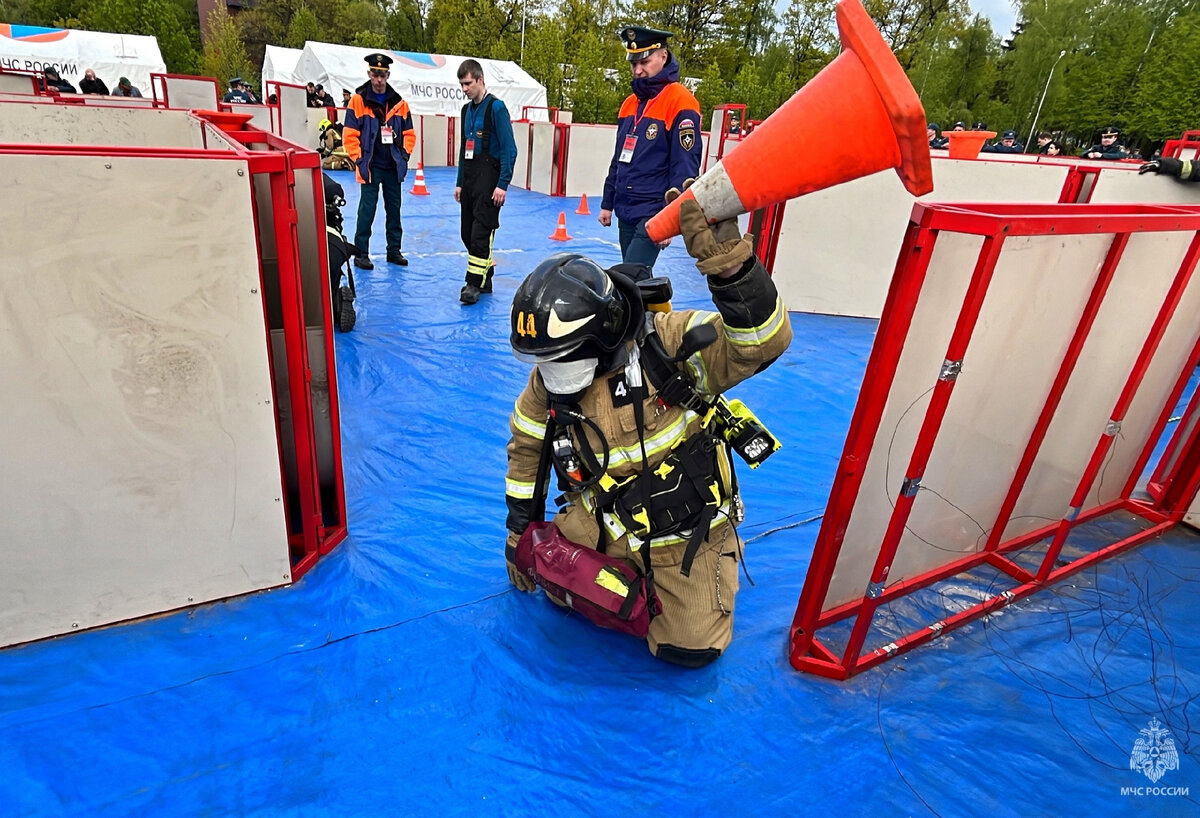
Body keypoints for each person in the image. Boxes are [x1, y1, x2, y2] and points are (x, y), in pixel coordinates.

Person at [504, 192, 792, 667]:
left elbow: (763, 341)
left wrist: (729, 267)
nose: (551, 372)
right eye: (545, 361)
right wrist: (520, 534)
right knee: (555, 586)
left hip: (683, 531)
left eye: (563, 357)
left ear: (604, 331)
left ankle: (694, 581)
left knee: (687, 648)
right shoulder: (548, 381)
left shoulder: (668, 343)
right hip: (601, 516)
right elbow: (526, 451)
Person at [599, 26, 703, 275]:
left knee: (628, 276)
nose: (637, 70)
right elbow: (619, 159)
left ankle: (642, 314)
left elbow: (685, 165)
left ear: (663, 56)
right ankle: (649, 314)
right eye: (633, 64)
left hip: (654, 211)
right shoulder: (629, 105)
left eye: (644, 62)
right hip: (626, 207)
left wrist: (671, 218)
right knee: (637, 279)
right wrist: (607, 202)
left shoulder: (681, 101)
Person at [454, 59, 519, 305]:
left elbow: (509, 149)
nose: (465, 89)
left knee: (481, 233)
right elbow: (463, 149)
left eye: (468, 83)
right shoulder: (466, 111)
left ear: (480, 80)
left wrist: (503, 183)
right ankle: (486, 277)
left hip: (490, 179)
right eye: (461, 85)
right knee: (467, 234)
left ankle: (473, 284)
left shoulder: (497, 109)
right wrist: (460, 182)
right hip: (470, 178)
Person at [344, 53, 416, 269]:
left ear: (388, 75)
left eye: (382, 75)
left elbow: (410, 134)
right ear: (369, 73)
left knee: (394, 210)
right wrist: (359, 159)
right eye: (375, 74)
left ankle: (394, 251)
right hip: (370, 167)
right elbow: (349, 134)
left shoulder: (400, 104)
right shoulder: (357, 101)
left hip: (393, 166)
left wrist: (403, 156)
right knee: (366, 210)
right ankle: (361, 253)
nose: (378, 79)